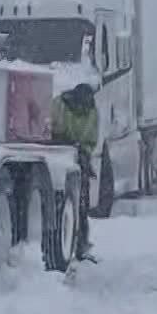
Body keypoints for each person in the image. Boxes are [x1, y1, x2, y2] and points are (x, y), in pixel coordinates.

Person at [52, 80, 100, 259]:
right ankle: (80, 244)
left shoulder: (90, 110)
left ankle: (81, 244)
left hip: (76, 157)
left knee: (82, 205)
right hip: (61, 152)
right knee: (80, 205)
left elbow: (91, 138)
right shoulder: (62, 105)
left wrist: (83, 152)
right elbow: (52, 127)